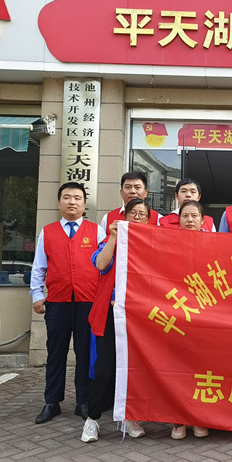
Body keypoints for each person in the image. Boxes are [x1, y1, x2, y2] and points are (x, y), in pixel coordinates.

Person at [30, 182, 106, 424]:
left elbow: (106, 266)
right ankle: (52, 402)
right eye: (66, 197)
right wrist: (37, 295)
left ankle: (83, 401)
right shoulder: (48, 232)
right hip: (57, 302)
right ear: (59, 202)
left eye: (77, 198)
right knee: (56, 353)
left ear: (84, 204)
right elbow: (39, 267)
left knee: (85, 353)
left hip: (88, 301)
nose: (72, 201)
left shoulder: (97, 231)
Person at [81, 199, 150, 443]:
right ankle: (92, 419)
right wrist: (113, 237)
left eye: (142, 214)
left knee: (133, 369)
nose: (138, 217)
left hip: (139, 317)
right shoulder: (110, 241)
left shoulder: (151, 246)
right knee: (104, 369)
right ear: (124, 216)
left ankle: (128, 417)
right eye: (133, 213)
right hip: (111, 315)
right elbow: (100, 264)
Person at [171, 199, 210, 440]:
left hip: (205, 312)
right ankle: (179, 420)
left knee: (202, 366)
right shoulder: (168, 242)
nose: (190, 219)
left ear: (203, 220)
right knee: (178, 367)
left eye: (195, 215)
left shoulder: (213, 244)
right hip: (178, 311)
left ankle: (199, 417)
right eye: (185, 215)